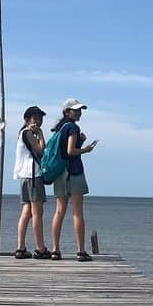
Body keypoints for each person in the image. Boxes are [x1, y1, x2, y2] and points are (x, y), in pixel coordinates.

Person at [49, 98, 97, 261]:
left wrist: (80, 141)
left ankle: (55, 249)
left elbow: (64, 150)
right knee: (77, 213)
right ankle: (81, 251)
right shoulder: (73, 127)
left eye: (80, 110)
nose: (79, 113)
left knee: (59, 212)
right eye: (75, 110)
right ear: (67, 112)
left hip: (60, 174)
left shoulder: (60, 128)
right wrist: (86, 149)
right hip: (74, 173)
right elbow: (70, 151)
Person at [12, 105, 49, 260]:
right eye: (35, 118)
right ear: (27, 120)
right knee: (37, 213)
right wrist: (40, 134)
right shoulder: (27, 133)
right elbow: (42, 150)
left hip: (24, 176)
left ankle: (21, 248)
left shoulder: (23, 133)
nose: (38, 121)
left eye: (40, 119)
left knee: (27, 212)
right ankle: (40, 248)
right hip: (33, 175)